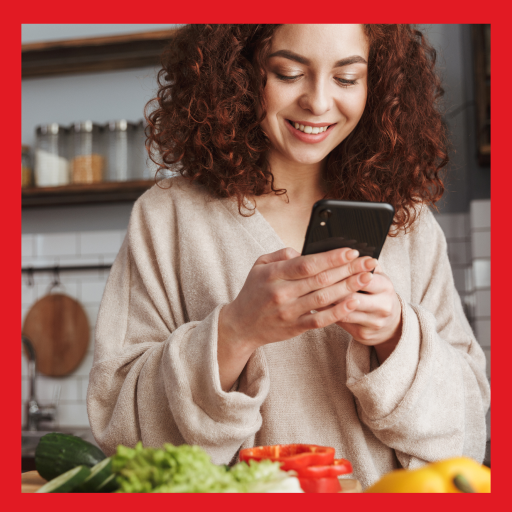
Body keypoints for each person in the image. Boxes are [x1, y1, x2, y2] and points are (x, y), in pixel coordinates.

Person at [87, 24, 490, 489]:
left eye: (346, 78)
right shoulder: (169, 218)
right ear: (238, 72)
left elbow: (467, 428)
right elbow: (120, 428)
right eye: (288, 72)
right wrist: (236, 331)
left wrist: (396, 334)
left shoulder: (409, 222)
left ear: (376, 85)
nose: (318, 102)